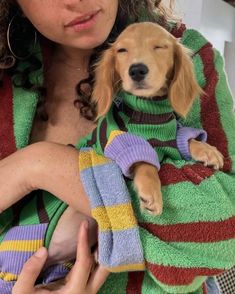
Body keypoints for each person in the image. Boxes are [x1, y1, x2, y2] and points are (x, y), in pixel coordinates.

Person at [0, 0, 234, 293]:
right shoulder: (6, 75)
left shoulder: (189, 55)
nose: (76, 1)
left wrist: (40, 166)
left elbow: (225, 234)